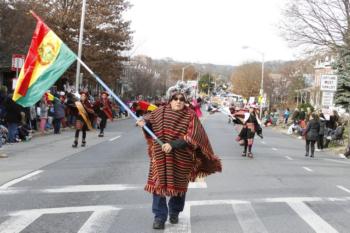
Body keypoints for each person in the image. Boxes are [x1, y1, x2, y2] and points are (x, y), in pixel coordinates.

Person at [136, 82, 222, 230]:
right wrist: (144, 124)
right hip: (160, 155)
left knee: (179, 187)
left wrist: (173, 145)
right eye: (175, 98)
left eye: (182, 99)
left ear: (186, 100)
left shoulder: (190, 115)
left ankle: (174, 211)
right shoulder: (159, 112)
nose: (178, 101)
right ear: (170, 99)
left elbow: (193, 136)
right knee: (158, 186)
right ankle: (159, 217)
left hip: (182, 157)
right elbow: (152, 128)